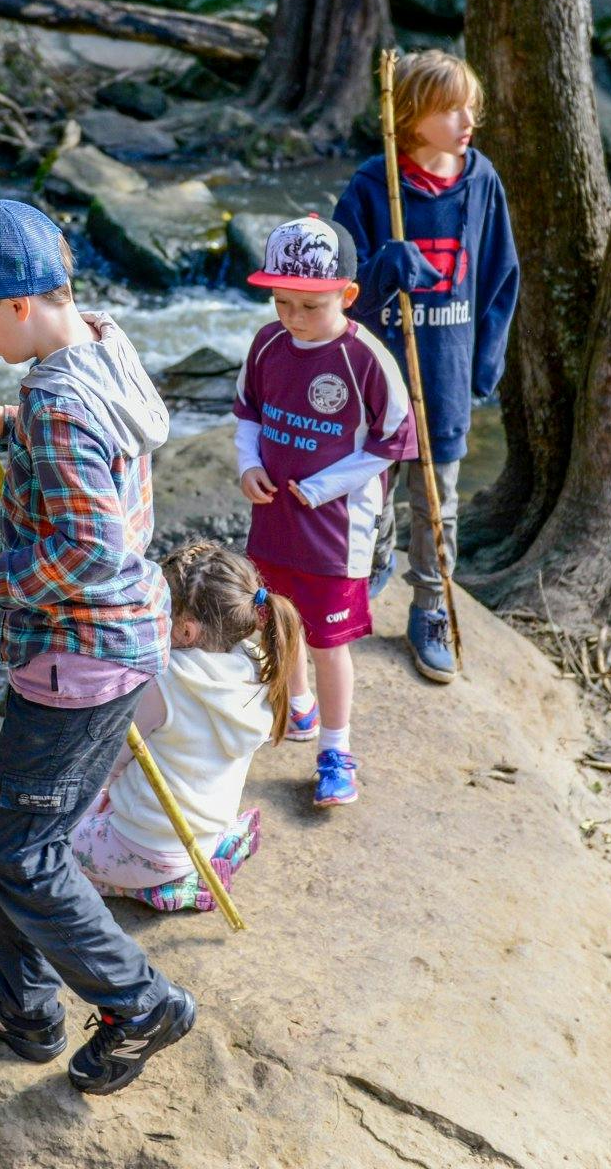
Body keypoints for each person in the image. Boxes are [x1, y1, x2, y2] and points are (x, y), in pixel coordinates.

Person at [0, 198, 197, 1097]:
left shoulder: (59, 401)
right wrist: (9, 424)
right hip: (121, 644)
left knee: (17, 851)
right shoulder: (102, 341)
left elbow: (85, 552)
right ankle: (25, 1010)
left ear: (21, 304)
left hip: (78, 658)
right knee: (40, 838)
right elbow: (96, 450)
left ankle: (141, 1004)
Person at [333, 49, 519, 683]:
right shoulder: (372, 182)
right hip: (378, 377)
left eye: (471, 105)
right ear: (411, 116)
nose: (468, 119)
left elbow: (499, 275)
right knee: (373, 487)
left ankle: (430, 607)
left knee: (438, 500)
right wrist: (385, 267)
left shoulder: (480, 181)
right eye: (451, 109)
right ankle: (370, 560)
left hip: (443, 369)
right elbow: (338, 283)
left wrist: (483, 365)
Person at [233, 215, 418, 810]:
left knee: (329, 640)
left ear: (348, 295)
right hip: (273, 520)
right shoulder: (266, 344)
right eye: (281, 302)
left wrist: (325, 486)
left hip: (336, 532)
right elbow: (249, 414)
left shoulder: (366, 359)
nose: (292, 318)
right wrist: (247, 465)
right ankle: (298, 704)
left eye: (308, 306)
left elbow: (394, 441)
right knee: (276, 621)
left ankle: (337, 751)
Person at [70, 539, 301, 913]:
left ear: (187, 631)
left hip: (144, 849)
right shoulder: (257, 662)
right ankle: (207, 857)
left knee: (50, 849)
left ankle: (160, 888)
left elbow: (110, 763)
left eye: (160, 610)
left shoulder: (166, 683)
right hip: (202, 833)